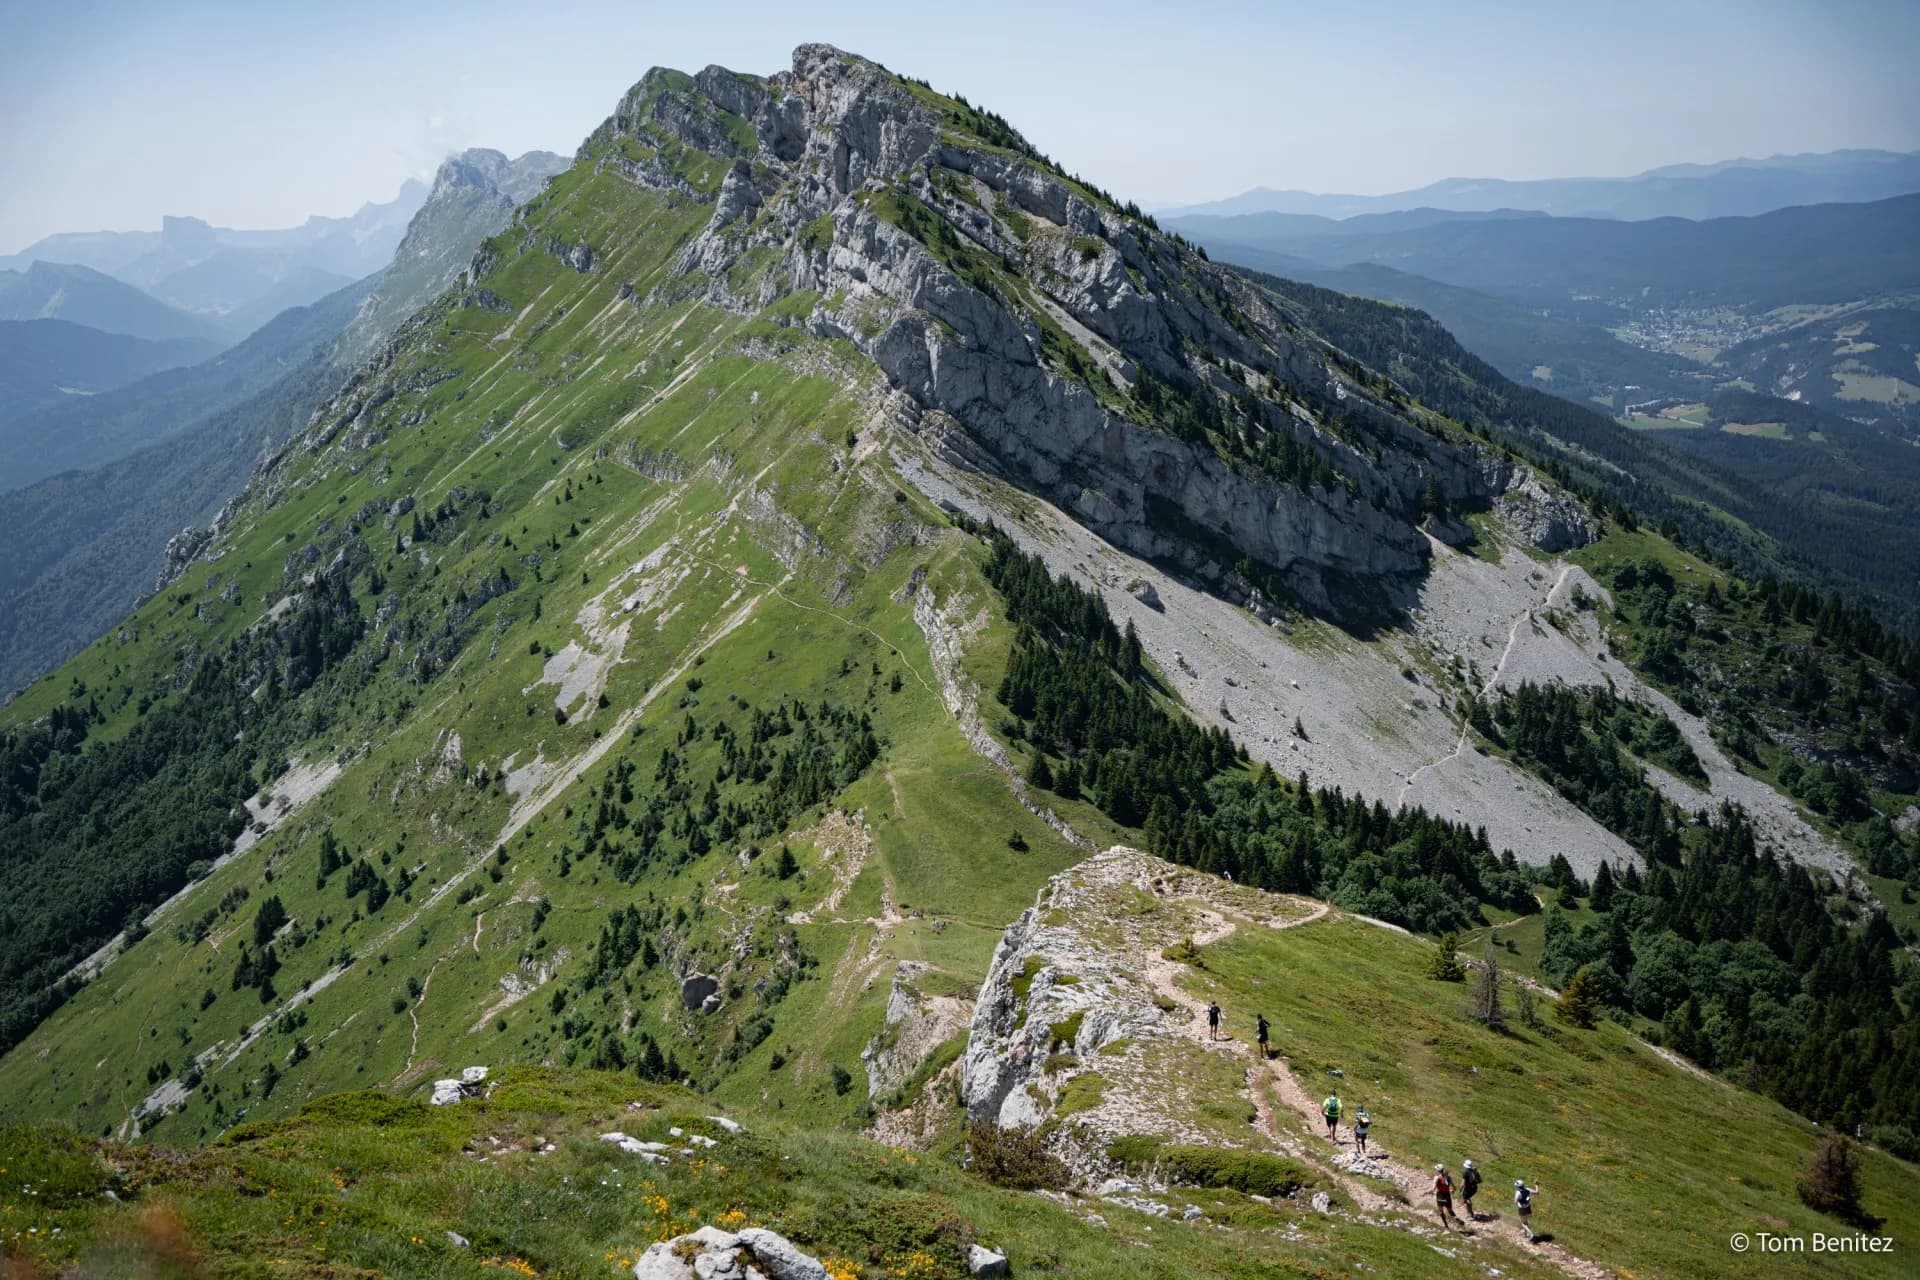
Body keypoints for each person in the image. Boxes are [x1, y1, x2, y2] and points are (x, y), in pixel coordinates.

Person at [1433, 1164, 1463, 1232]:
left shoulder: (1437, 1178)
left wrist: (1430, 1192)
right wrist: (1451, 1191)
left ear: (1438, 1170)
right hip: (1447, 1196)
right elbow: (1454, 1188)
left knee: (1441, 1211)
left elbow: (1434, 1189)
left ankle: (1446, 1225)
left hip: (1440, 1195)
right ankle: (1456, 1219)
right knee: (1450, 1210)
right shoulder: (1449, 1177)